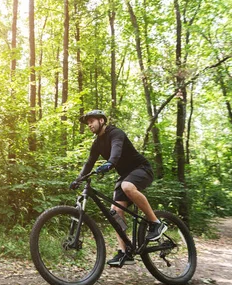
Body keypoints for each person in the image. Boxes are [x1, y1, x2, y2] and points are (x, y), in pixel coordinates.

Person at [70, 109, 167, 266]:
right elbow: (89, 163)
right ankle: (125, 252)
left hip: (142, 169)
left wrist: (110, 163)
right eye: (87, 124)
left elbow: (116, 150)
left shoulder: (116, 133)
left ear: (101, 121)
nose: (89, 125)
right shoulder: (97, 144)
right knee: (115, 212)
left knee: (127, 186)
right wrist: (78, 179)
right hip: (125, 175)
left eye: (91, 121)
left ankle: (156, 222)